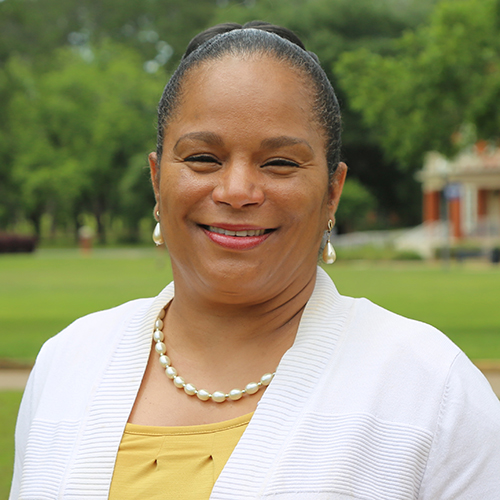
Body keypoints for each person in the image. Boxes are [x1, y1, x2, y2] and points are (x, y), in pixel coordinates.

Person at [10, 21, 500, 500]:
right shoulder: (68, 363)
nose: (238, 191)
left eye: (280, 163)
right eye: (203, 158)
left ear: (333, 192)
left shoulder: (431, 390)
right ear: (157, 180)